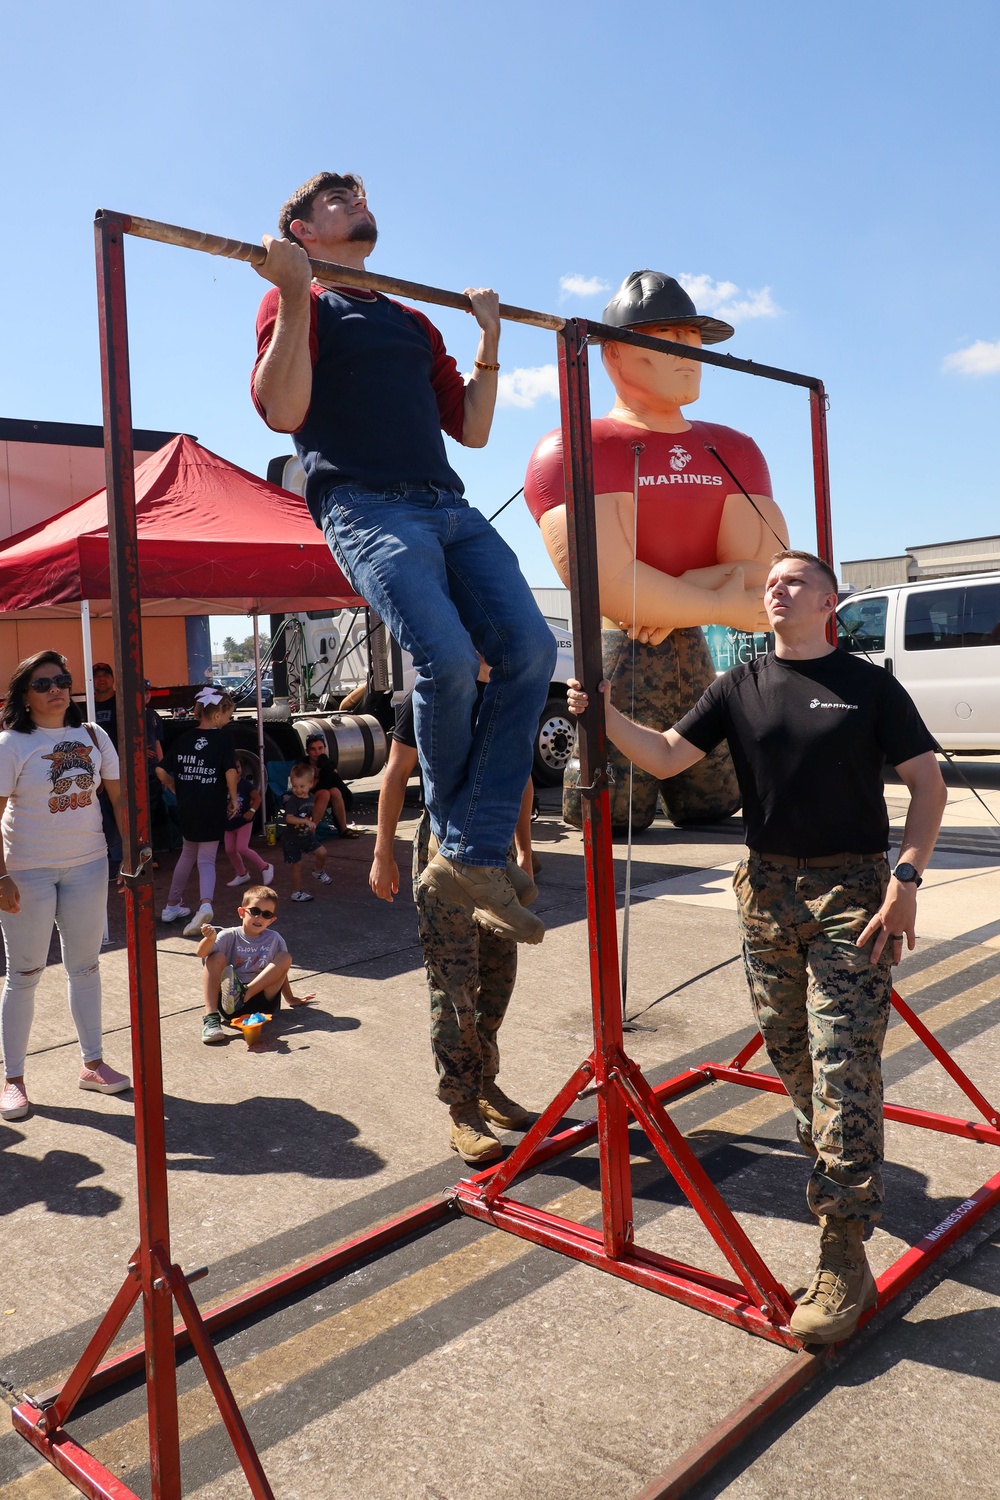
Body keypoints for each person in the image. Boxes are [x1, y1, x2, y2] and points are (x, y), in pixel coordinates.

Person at [567, 550, 949, 1343]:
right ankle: (841, 1157)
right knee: (795, 1059)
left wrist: (906, 879)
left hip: (854, 898)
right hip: (767, 896)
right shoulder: (738, 687)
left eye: (795, 581)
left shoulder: (869, 684)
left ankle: (843, 1254)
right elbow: (670, 755)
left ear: (829, 602)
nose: (777, 588)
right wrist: (602, 716)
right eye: (770, 582)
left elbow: (928, 785)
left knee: (844, 1061)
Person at [251, 170, 555, 944]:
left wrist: (489, 340)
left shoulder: (415, 323)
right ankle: (468, 847)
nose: (358, 203)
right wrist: (290, 292)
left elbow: (476, 431)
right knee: (448, 660)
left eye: (361, 195)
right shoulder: (302, 300)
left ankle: (471, 851)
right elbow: (284, 411)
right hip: (365, 504)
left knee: (530, 649)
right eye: (336, 200)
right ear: (302, 232)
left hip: (445, 504)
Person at [525, 270, 788, 832]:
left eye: (693, 341)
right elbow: (610, 583)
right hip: (616, 660)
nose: (688, 355)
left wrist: (667, 603)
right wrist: (716, 603)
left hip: (693, 659)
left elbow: (767, 573)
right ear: (615, 352)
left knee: (714, 802)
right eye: (668, 340)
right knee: (607, 811)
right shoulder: (576, 447)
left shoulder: (733, 451)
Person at [370, 685, 534, 1162]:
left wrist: (524, 848)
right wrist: (384, 852)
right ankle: (462, 1109)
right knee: (453, 983)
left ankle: (485, 1084)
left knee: (498, 976)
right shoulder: (425, 694)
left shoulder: (508, 687)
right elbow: (396, 772)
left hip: (497, 853)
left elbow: (520, 777)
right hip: (443, 851)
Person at [0, 650, 131, 1120]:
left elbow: (119, 799)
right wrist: (1, 877)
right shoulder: (11, 744)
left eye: (62, 680)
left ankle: (92, 1064)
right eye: (42, 684)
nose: (55, 689)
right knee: (25, 974)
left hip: (88, 865)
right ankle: (13, 1079)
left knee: (86, 967)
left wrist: (133, 855)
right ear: (24, 695)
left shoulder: (92, 735)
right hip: (27, 872)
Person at [156, 688, 239, 937]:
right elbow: (231, 772)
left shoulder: (184, 737)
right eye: (228, 716)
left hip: (187, 805)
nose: (228, 720)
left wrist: (171, 785)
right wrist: (233, 798)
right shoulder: (223, 740)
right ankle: (205, 904)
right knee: (206, 859)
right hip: (211, 804)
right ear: (216, 716)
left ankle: (172, 905)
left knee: (187, 853)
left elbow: (161, 769)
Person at [196, 885, 313, 1046]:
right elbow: (201, 953)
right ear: (241, 912)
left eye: (266, 914)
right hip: (229, 1004)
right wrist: (209, 940)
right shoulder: (228, 936)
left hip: (263, 1001)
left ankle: (244, 993)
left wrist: (290, 998)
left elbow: (280, 971)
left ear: (272, 920)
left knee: (284, 957)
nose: (259, 918)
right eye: (255, 911)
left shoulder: (274, 939)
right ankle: (211, 1019)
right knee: (214, 957)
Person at [224, 751, 275, 889]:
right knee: (229, 850)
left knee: (241, 848)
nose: (237, 771)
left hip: (244, 822)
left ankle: (265, 867)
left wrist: (251, 811)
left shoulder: (245, 784)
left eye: (238, 767)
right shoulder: (222, 785)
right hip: (229, 824)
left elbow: (257, 798)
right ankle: (242, 874)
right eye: (232, 768)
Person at [282, 762, 332, 901]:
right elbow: (289, 818)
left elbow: (309, 814)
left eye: (302, 786)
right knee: (297, 866)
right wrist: (305, 822)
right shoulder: (293, 801)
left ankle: (318, 871)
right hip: (293, 839)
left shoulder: (310, 797)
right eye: (295, 786)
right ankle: (296, 892)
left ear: (311, 784)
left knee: (323, 852)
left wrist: (311, 826)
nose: (298, 790)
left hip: (307, 836)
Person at [91, 661, 123, 875]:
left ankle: (123, 857)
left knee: (120, 810)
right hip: (95, 772)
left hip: (119, 771)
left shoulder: (121, 704)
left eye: (105, 675)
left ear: (112, 679)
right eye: (97, 676)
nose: (101, 679)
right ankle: (110, 857)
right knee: (101, 813)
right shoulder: (86, 708)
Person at [304, 732, 359, 839]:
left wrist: (328, 771)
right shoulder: (302, 765)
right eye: (313, 749)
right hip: (305, 797)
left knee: (334, 791)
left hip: (326, 796)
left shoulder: (327, 763)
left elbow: (336, 783)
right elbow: (302, 789)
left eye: (320, 748)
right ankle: (311, 831)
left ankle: (343, 828)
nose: (317, 752)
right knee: (325, 793)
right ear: (307, 752)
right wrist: (316, 777)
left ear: (324, 749)